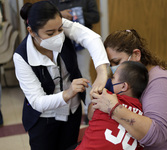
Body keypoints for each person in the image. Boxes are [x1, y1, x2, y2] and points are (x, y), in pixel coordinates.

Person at [13, 1, 109, 150]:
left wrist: (102, 73)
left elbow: (92, 38)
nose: (58, 36)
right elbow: (37, 101)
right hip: (43, 118)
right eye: (50, 33)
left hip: (72, 111)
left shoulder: (58, 24)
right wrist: (68, 93)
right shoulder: (22, 56)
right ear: (31, 31)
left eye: (60, 30)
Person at [91, 29, 167, 150]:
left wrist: (114, 108)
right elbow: (92, 114)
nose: (113, 69)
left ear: (136, 55)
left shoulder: (161, 83)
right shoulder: (122, 76)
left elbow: (157, 136)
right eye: (110, 65)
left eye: (116, 62)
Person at [67, 61, 149, 150]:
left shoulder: (105, 97)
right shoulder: (142, 110)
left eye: (113, 77)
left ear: (124, 86)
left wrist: (95, 94)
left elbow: (91, 114)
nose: (110, 80)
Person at [49, 0, 100, 124]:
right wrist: (59, 15)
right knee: (62, 75)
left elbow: (95, 16)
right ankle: (63, 110)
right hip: (60, 44)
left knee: (84, 75)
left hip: (82, 44)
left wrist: (77, 13)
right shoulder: (50, 2)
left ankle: (90, 110)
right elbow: (45, 17)